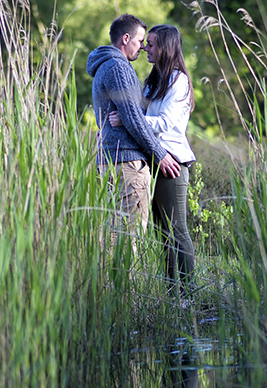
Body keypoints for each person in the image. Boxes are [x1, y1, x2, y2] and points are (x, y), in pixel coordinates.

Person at [108, 24, 197, 297]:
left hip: (173, 163)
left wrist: (129, 120)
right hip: (155, 161)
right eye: (146, 42)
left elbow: (166, 123)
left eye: (153, 43)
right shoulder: (154, 81)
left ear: (166, 48)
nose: (147, 46)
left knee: (177, 231)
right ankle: (174, 295)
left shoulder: (178, 81)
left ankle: (186, 295)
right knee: (163, 235)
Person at [87, 15, 181, 248]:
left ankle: (108, 284)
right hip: (127, 163)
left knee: (112, 237)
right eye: (140, 41)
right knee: (130, 240)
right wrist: (160, 154)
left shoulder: (104, 65)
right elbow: (133, 118)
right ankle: (124, 285)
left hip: (109, 160)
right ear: (125, 38)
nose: (142, 47)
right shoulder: (119, 67)